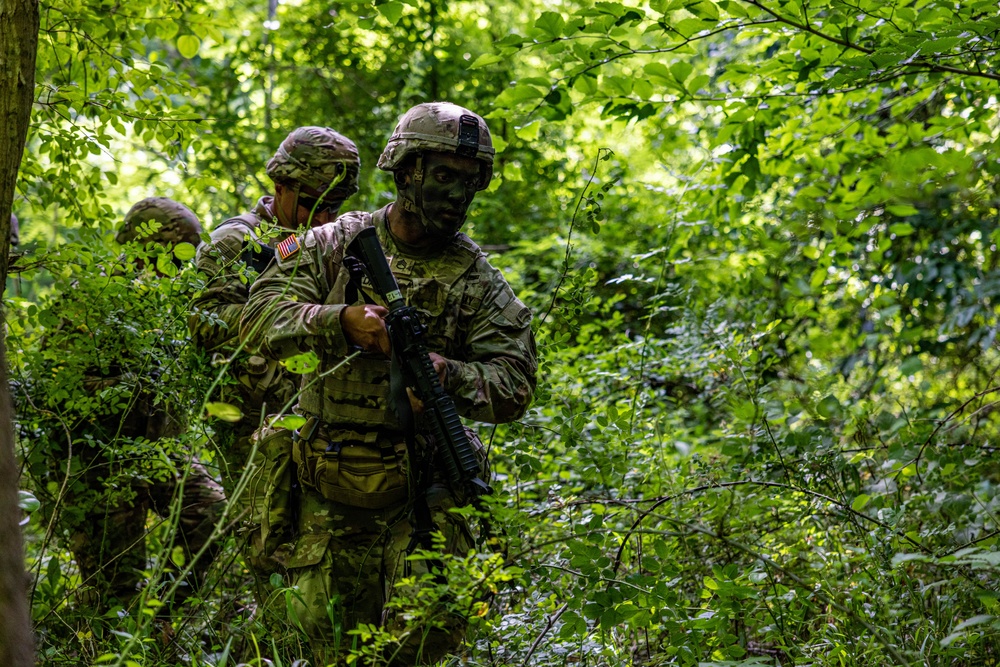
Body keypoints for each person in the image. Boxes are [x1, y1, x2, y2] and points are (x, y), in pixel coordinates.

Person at [240, 102, 538, 665]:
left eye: (469, 181)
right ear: (406, 172)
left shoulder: (477, 279)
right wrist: (339, 322)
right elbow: (258, 316)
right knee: (315, 646)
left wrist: (449, 375)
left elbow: (515, 384)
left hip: (421, 494)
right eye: (444, 175)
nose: (456, 194)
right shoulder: (335, 244)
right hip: (323, 488)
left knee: (420, 647)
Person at [20, 198, 226, 612]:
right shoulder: (93, 296)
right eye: (175, 252)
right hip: (100, 464)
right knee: (115, 592)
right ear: (147, 247)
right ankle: (117, 638)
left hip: (158, 451)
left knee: (211, 512)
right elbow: (56, 385)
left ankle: (168, 612)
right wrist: (128, 388)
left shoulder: (167, 299)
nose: (182, 264)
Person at [188, 127, 360, 581]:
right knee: (268, 545)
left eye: (332, 206)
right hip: (251, 420)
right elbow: (202, 323)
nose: (321, 216)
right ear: (280, 187)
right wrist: (282, 314)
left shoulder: (335, 239)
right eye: (310, 204)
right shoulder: (238, 242)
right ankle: (269, 642)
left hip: (317, 417)